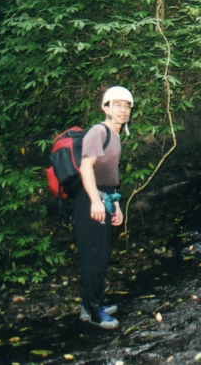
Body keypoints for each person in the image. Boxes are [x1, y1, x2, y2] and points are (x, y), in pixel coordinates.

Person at [77, 86, 133, 329]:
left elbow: (111, 176)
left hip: (105, 197)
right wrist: (96, 201)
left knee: (100, 253)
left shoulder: (116, 134)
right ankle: (94, 310)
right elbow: (86, 167)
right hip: (90, 199)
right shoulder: (98, 132)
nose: (122, 110)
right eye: (117, 105)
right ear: (105, 107)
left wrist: (116, 205)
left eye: (127, 105)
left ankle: (88, 304)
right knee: (95, 256)